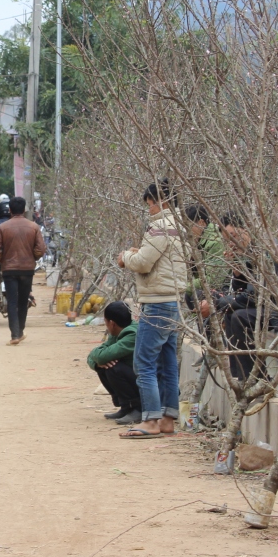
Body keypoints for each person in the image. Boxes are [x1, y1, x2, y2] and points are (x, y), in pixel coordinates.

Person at [117, 179, 188, 438]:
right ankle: (168, 418)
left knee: (144, 363)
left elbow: (145, 263)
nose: (149, 210)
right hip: (174, 300)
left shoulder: (160, 226)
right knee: (168, 363)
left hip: (157, 301)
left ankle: (150, 420)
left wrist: (126, 257)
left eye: (150, 205)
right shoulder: (183, 226)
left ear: (161, 201)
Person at [199, 211, 278, 383]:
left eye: (233, 236)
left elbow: (254, 296)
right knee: (232, 314)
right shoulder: (250, 252)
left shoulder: (267, 250)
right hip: (273, 304)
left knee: (240, 317)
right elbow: (243, 290)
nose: (231, 243)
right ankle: (244, 377)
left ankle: (258, 378)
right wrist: (236, 269)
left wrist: (218, 303)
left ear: (246, 230)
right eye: (227, 240)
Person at [0, 196, 46, 345]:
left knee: (12, 301)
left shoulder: (2, 228)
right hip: (27, 269)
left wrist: (1, 260)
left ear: (10, 210)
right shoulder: (34, 227)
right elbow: (41, 249)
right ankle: (20, 331)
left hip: (9, 269)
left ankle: (15, 335)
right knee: (23, 301)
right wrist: (31, 257)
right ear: (24, 210)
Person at [87, 302, 141, 424]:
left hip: (147, 379)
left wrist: (99, 359)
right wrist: (97, 363)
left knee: (114, 368)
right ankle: (126, 407)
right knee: (103, 366)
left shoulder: (132, 334)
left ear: (112, 323)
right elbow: (93, 357)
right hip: (135, 376)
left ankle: (138, 408)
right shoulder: (117, 332)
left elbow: (101, 356)